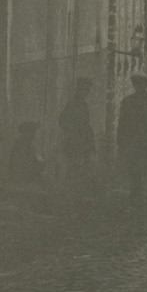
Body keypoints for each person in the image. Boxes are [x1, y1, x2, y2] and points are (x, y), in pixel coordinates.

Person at [117, 74, 147, 212]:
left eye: (142, 84)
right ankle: (135, 202)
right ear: (134, 86)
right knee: (134, 173)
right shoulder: (127, 102)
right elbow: (122, 123)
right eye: (137, 84)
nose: (139, 87)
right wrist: (121, 142)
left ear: (146, 86)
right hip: (133, 144)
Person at [58, 77, 96, 208]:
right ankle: (69, 201)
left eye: (87, 90)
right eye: (84, 89)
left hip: (82, 145)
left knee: (81, 172)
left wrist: (91, 144)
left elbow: (87, 126)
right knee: (72, 171)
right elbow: (62, 120)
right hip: (73, 144)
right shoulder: (71, 104)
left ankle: (77, 199)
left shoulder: (84, 105)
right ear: (78, 89)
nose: (86, 92)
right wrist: (72, 133)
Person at [8, 121, 46, 190]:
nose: (34, 135)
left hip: (28, 180)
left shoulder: (31, 147)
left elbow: (34, 161)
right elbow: (15, 165)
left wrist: (41, 163)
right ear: (24, 133)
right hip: (18, 181)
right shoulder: (17, 145)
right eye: (31, 132)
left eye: (34, 132)